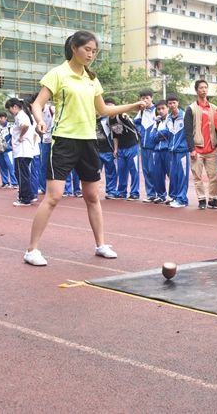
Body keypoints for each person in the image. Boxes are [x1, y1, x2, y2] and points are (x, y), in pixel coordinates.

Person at [24, 30, 144, 266]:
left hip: (89, 141)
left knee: (92, 196)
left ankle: (100, 244)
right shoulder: (58, 74)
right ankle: (32, 250)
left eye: (94, 51)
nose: (91, 55)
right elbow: (37, 103)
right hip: (64, 141)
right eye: (87, 49)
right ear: (74, 49)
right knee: (54, 196)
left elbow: (103, 110)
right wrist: (38, 120)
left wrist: (132, 105)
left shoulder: (92, 79)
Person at [185, 79, 217, 209]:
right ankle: (201, 199)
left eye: (205, 87)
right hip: (197, 149)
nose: (204, 90)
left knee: (214, 176)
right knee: (197, 176)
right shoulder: (191, 109)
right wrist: (191, 148)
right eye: (201, 88)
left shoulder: (214, 108)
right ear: (196, 90)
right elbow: (187, 131)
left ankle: (212, 198)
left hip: (211, 149)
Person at [5, 98, 36, 206]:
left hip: (22, 151)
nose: (10, 113)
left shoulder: (20, 116)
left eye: (10, 110)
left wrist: (21, 136)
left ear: (14, 107)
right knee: (24, 174)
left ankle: (24, 198)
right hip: (24, 150)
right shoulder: (23, 115)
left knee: (21, 174)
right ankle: (29, 195)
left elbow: (25, 126)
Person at [165, 94, 190, 208]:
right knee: (174, 175)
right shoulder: (168, 118)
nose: (172, 105)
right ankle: (175, 197)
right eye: (170, 103)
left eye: (174, 102)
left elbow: (190, 133)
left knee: (182, 176)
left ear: (178, 103)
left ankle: (182, 199)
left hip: (182, 150)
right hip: (172, 151)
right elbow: (168, 134)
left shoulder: (184, 116)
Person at [134, 89, 158, 202]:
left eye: (147, 98)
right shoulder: (141, 111)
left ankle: (160, 194)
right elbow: (136, 122)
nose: (145, 100)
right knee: (146, 170)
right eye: (142, 98)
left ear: (151, 98)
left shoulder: (157, 110)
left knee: (155, 171)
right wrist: (141, 132)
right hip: (143, 146)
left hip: (154, 146)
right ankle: (150, 194)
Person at [110, 112, 140, 200]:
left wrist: (125, 116)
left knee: (134, 171)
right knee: (121, 171)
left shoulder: (120, 116)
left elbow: (126, 117)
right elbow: (115, 136)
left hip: (132, 146)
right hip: (121, 148)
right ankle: (121, 192)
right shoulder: (109, 120)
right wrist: (115, 149)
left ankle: (135, 193)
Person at [98, 98, 118, 199]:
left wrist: (115, 149)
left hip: (108, 150)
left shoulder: (109, 119)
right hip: (95, 151)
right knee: (94, 173)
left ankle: (111, 191)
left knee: (111, 172)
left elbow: (116, 134)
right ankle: (92, 191)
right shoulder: (89, 120)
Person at [0, 111, 17, 188]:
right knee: (2, 166)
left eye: (1, 117)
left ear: (6, 118)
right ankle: (5, 182)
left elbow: (13, 137)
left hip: (8, 150)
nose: (0, 119)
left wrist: (12, 147)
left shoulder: (10, 127)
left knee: (11, 166)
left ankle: (14, 183)